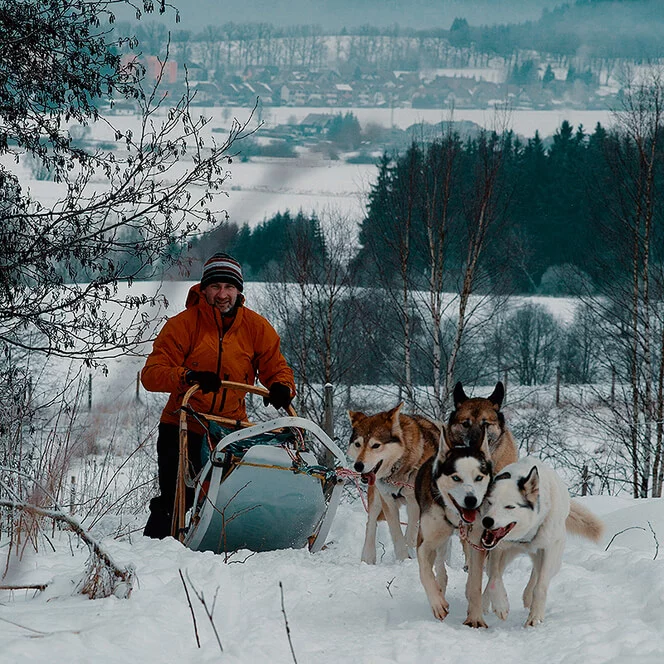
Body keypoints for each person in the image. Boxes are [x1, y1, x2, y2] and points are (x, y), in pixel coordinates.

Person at [141, 252, 296, 539]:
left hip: (232, 430)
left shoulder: (256, 327)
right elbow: (151, 374)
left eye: (229, 287)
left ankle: (220, 549)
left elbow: (276, 366)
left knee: (229, 496)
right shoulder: (182, 325)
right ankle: (154, 554)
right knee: (179, 498)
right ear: (204, 289)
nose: (222, 294)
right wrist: (188, 376)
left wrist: (281, 387)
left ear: (239, 291)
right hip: (183, 425)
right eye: (215, 287)